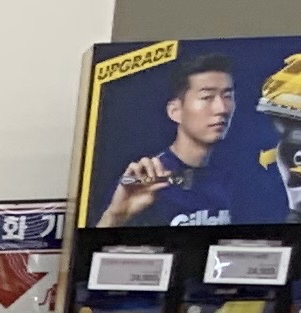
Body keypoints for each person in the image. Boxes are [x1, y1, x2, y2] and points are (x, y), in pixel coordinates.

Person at [99, 49, 249, 226]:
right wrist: (115, 217)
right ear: (175, 111)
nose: (222, 108)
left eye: (228, 96)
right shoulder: (145, 181)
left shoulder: (235, 178)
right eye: (207, 97)